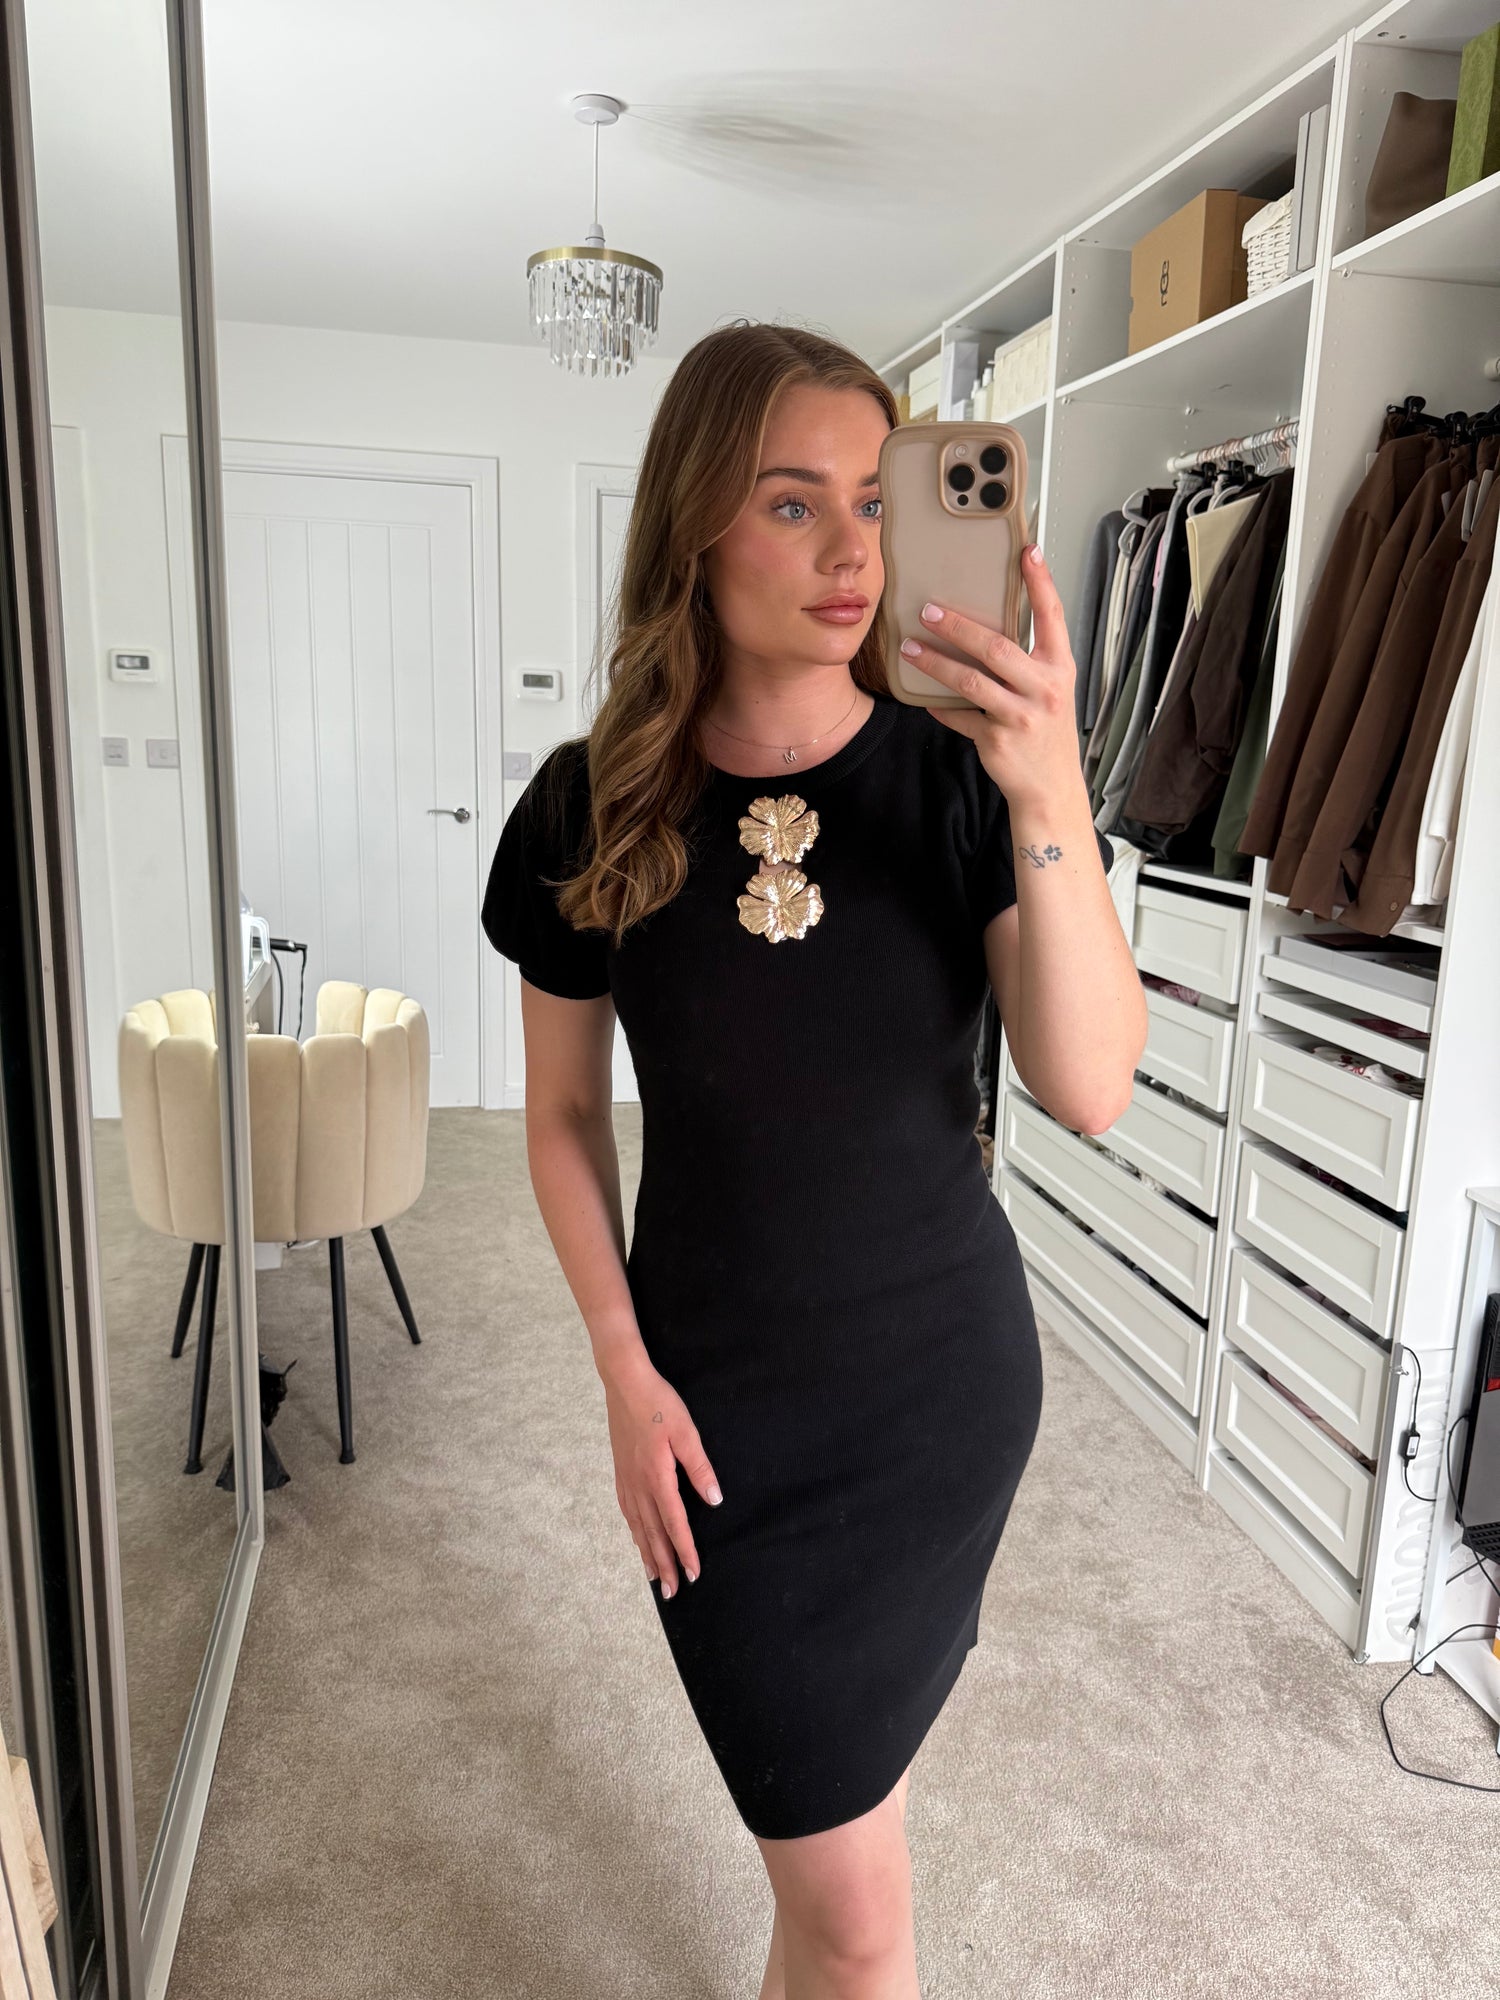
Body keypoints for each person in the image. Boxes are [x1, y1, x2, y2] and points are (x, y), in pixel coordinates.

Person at [481, 320, 1146, 2000]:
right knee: (839, 1884)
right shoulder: (586, 808)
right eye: (792, 503)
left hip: (939, 1400)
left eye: (875, 498)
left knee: (844, 1908)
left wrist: (1050, 785)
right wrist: (621, 1372)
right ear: (695, 527)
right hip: (721, 1425)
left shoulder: (962, 780)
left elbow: (1089, 1086)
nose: (852, 550)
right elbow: (562, 1118)